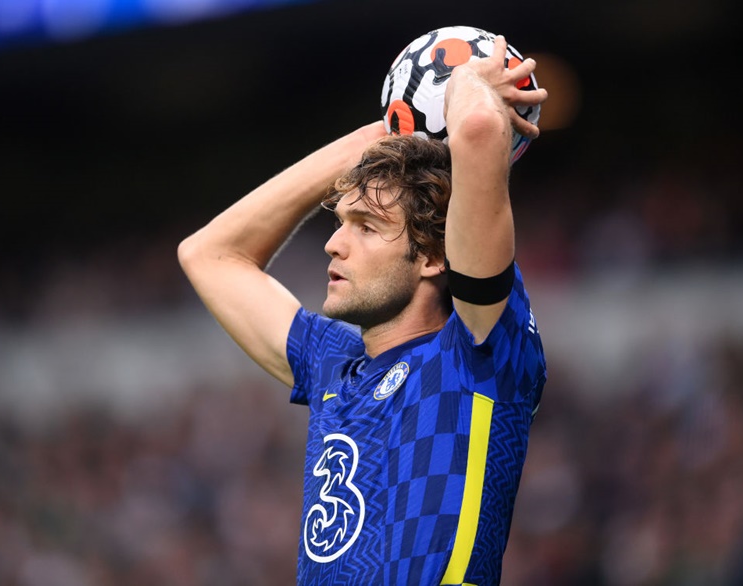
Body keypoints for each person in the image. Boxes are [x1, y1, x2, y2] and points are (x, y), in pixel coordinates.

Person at [178, 36, 548, 586]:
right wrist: (374, 140)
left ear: (433, 257)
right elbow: (208, 254)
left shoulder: (479, 350)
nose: (333, 244)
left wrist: (468, 83)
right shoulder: (334, 366)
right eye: (340, 222)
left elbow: (476, 129)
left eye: (367, 226)